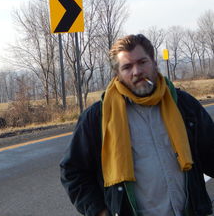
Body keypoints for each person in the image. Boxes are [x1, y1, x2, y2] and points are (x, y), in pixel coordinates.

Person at [60, 34, 214, 216]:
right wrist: (99, 212)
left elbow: (210, 153)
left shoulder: (183, 104)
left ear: (154, 63)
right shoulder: (98, 117)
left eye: (142, 62)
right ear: (117, 74)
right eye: (127, 67)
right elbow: (73, 172)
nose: (137, 71)